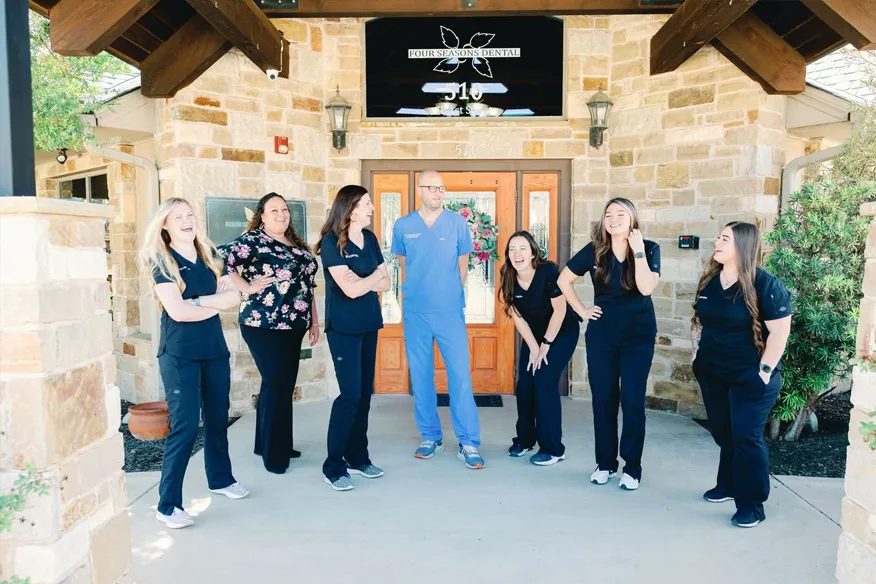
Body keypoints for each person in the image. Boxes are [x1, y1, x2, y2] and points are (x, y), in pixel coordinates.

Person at [140, 197, 249, 530]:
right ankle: (168, 504)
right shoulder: (163, 261)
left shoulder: (210, 256)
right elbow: (178, 312)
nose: (188, 221)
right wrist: (215, 303)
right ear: (165, 225)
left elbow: (235, 297)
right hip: (179, 355)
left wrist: (200, 301)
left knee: (218, 420)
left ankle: (220, 478)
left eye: (191, 215)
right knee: (186, 426)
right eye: (179, 217)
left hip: (214, 350)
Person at [692, 221, 792, 528]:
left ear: (743, 247)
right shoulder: (711, 279)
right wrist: (697, 353)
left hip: (750, 376)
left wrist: (763, 372)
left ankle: (751, 503)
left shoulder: (766, 285)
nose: (717, 243)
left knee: (746, 438)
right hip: (713, 372)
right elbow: (700, 321)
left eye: (724, 239)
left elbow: (780, 333)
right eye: (719, 237)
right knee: (724, 433)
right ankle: (728, 484)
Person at [558, 197, 660, 491]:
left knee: (631, 401)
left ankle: (632, 467)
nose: (613, 219)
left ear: (632, 219)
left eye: (620, 214)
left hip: (638, 337)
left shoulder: (649, 248)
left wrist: (638, 251)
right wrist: (582, 310)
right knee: (603, 401)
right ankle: (605, 463)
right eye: (608, 214)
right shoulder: (594, 251)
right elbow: (564, 280)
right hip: (602, 336)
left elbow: (646, 287)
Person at [390, 170, 485, 469]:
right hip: (416, 312)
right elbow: (406, 265)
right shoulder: (404, 225)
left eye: (442, 188)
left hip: (449, 312)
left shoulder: (457, 223)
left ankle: (468, 441)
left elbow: (462, 266)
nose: (438, 192)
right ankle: (431, 436)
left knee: (460, 376)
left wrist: (451, 297)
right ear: (420, 190)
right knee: (421, 377)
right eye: (432, 188)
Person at [220, 192, 320, 475]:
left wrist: (314, 322)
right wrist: (247, 287)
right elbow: (218, 259)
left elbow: (308, 287)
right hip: (263, 324)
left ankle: (266, 444)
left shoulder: (296, 244)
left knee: (278, 385)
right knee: (278, 386)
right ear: (261, 216)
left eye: (284, 209)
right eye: (274, 210)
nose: (281, 214)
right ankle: (275, 456)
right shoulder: (253, 241)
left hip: (295, 325)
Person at [315, 185, 391, 491]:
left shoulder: (370, 239)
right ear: (351, 208)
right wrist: (369, 280)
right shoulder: (331, 243)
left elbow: (387, 282)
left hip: (369, 323)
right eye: (368, 203)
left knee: (364, 395)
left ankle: (358, 457)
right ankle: (333, 465)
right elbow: (350, 290)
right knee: (350, 395)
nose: (372, 208)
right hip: (344, 328)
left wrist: (365, 280)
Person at [499, 231, 581, 466]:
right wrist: (535, 348)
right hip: (533, 336)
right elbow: (518, 318)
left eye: (523, 248)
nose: (517, 254)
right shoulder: (508, 275)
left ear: (533, 252)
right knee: (525, 384)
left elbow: (560, 310)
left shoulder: (548, 271)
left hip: (561, 332)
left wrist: (546, 345)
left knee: (544, 380)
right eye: (512, 249)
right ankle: (525, 440)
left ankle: (553, 448)